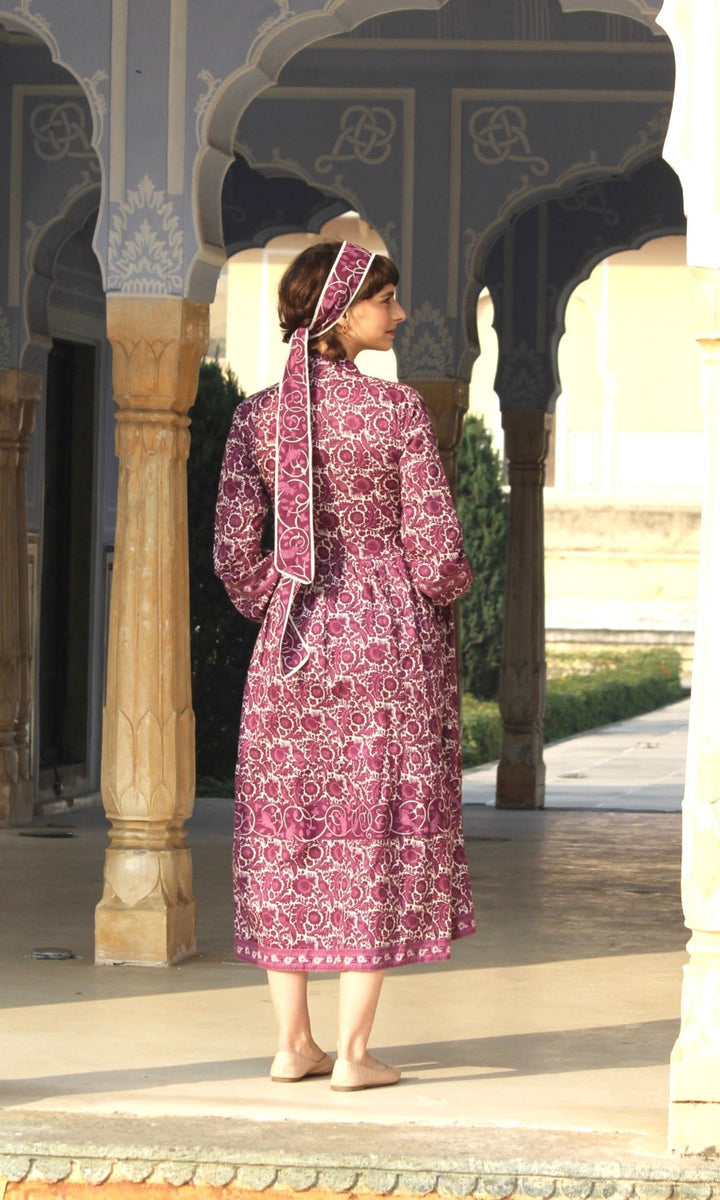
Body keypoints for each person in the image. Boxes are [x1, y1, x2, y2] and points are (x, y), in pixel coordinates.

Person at [214, 240, 475, 1092]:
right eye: (387, 301)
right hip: (384, 648)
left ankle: (292, 1044)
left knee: (288, 836)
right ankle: (354, 1055)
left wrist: (286, 601)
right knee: (375, 833)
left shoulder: (256, 417)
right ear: (340, 314)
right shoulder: (396, 413)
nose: (398, 316)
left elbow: (231, 555)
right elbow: (438, 553)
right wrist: (424, 601)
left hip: (289, 655)